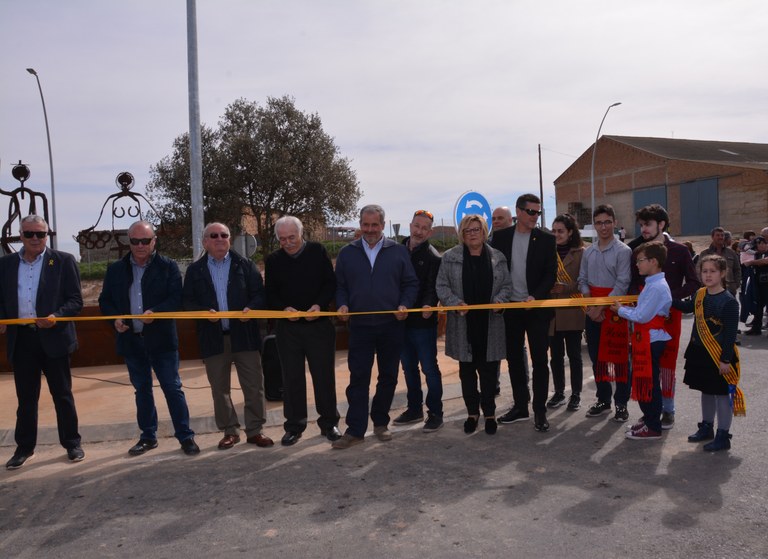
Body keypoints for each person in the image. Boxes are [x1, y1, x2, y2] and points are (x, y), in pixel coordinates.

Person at [99, 220, 199, 456]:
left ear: (154, 241)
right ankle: (148, 437)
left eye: (145, 240)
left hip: (162, 341)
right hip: (132, 341)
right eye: (135, 241)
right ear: (129, 242)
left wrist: (156, 312)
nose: (140, 245)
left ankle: (185, 436)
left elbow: (176, 298)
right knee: (142, 390)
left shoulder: (168, 266)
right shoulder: (116, 269)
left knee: (172, 388)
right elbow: (105, 301)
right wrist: (115, 319)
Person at [0, 215, 85, 469]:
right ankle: (24, 448)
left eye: (40, 234)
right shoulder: (5, 265)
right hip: (22, 340)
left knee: (62, 394)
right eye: (29, 234)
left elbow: (75, 301)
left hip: (55, 338)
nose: (35, 238)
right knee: (26, 398)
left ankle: (72, 443)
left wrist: (57, 317)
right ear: (21, 236)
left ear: (47, 235)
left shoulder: (63, 261)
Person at [332, 204, 419, 449]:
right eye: (365, 224)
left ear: (382, 225)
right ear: (360, 225)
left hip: (391, 326)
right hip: (359, 327)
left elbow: (410, 284)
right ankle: (355, 430)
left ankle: (380, 423)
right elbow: (340, 286)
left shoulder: (398, 252)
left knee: (388, 377)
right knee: (358, 378)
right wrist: (342, 304)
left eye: (375, 225)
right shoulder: (347, 253)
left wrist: (405, 304)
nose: (370, 229)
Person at [182, 222, 273, 450]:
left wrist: (251, 308)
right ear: (205, 242)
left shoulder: (245, 265)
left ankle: (255, 431)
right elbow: (187, 302)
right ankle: (230, 431)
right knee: (219, 389)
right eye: (214, 235)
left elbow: (260, 295)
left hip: (245, 335)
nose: (220, 239)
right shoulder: (195, 270)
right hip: (213, 338)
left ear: (229, 239)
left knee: (254, 386)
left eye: (224, 235)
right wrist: (204, 313)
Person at [264, 215, 341, 445]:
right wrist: (283, 308)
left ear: (301, 233)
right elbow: (270, 293)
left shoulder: (318, 251)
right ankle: (294, 426)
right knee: (292, 379)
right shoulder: (273, 260)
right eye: (282, 239)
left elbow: (330, 283)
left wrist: (319, 305)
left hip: (319, 327)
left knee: (324, 377)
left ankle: (329, 423)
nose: (287, 243)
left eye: (292, 237)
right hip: (288, 330)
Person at [436, 214, 511, 435]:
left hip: (490, 324)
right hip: (463, 324)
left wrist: (500, 301)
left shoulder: (498, 257)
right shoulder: (450, 257)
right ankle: (472, 413)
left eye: (476, 229)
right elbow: (441, 286)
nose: (472, 234)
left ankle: (489, 414)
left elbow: (507, 286)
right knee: (467, 372)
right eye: (467, 230)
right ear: (462, 233)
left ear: (484, 231)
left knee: (489, 373)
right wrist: (454, 303)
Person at [627, 204, 700, 430]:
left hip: (670, 315)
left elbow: (694, 282)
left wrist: (669, 298)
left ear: (661, 224)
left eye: (647, 224)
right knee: (644, 363)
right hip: (643, 316)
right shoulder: (635, 250)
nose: (643, 229)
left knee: (667, 364)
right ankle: (650, 412)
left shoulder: (679, 250)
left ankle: (668, 409)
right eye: (641, 225)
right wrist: (638, 299)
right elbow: (632, 282)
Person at [491, 193, 557, 432]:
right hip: (511, 309)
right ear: (518, 212)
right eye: (531, 212)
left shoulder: (547, 239)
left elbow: (550, 274)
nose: (535, 216)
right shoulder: (500, 238)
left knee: (540, 360)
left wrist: (535, 296)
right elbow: (494, 271)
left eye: (538, 212)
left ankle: (540, 411)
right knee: (515, 359)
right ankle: (520, 407)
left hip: (536, 308)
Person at [672, 255, 744, 451]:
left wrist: (725, 359)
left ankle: (723, 435)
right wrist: (669, 300)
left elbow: (730, 334)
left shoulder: (729, 302)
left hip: (719, 355)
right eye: (704, 271)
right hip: (700, 353)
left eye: (713, 271)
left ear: (722, 273)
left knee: (721, 394)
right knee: (706, 391)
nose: (708, 275)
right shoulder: (700, 294)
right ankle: (706, 427)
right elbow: (688, 308)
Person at [611, 242, 672, 440]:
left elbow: (641, 316)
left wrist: (621, 310)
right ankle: (649, 418)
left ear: (653, 262)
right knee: (645, 379)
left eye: (640, 260)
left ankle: (653, 425)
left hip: (650, 340)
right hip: (646, 338)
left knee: (649, 382)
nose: (637, 264)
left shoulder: (657, 287)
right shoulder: (652, 283)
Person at [577, 204, 632, 422]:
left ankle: (621, 403)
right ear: (594, 225)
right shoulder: (588, 252)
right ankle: (603, 399)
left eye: (607, 222)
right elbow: (582, 280)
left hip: (615, 311)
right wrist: (591, 307)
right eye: (599, 223)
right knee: (596, 357)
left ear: (614, 223)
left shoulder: (623, 251)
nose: (603, 227)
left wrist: (601, 307)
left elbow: (622, 282)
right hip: (592, 311)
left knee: (619, 359)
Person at [392, 210, 444, 432]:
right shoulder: (396, 251)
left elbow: (433, 287)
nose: (419, 231)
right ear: (410, 226)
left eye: (424, 228)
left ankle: (435, 413)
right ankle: (414, 409)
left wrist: (428, 305)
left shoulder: (433, 256)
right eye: (417, 226)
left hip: (423, 325)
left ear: (430, 232)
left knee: (429, 369)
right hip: (400, 322)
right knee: (408, 368)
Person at [546, 213, 585, 412]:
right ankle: (559, 392)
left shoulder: (581, 253)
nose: (556, 234)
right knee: (556, 357)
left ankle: (576, 393)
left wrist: (566, 287)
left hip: (573, 311)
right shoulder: (547, 252)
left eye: (560, 231)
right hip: (552, 313)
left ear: (570, 232)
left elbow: (584, 281)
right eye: (553, 231)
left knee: (575, 356)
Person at [699, 227, 741, 298]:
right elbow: (699, 271)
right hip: (710, 290)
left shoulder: (731, 253)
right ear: (712, 237)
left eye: (722, 235)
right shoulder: (705, 253)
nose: (720, 237)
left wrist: (735, 285)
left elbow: (737, 269)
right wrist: (703, 285)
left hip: (729, 290)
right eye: (718, 235)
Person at [744, 236, 768, 336]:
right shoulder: (755, 254)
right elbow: (742, 246)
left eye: (764, 243)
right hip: (758, 284)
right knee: (758, 307)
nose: (762, 245)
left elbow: (765, 261)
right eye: (759, 243)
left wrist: (752, 262)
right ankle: (756, 328)